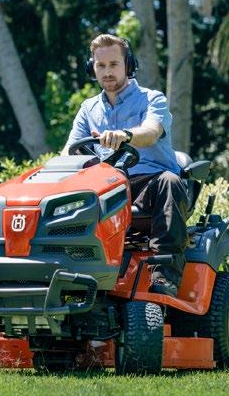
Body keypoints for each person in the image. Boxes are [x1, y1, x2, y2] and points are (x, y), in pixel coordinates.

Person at [62, 34, 188, 297]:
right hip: (106, 187)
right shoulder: (88, 109)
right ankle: (69, 277)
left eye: (114, 64)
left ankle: (165, 277)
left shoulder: (153, 99)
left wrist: (126, 136)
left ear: (128, 65)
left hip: (149, 183)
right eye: (101, 66)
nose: (107, 72)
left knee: (170, 181)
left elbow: (151, 131)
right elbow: (69, 153)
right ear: (92, 68)